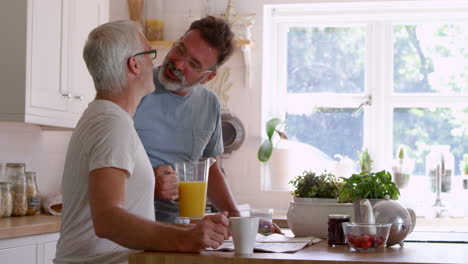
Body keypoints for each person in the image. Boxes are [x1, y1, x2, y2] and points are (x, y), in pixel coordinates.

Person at [54, 20, 229, 264]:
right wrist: (186, 239)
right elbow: (108, 219)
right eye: (149, 53)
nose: (156, 61)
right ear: (134, 64)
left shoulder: (110, 118)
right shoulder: (112, 125)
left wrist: (192, 234)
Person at [134, 16, 281, 233]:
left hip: (179, 233)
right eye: (181, 50)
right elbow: (104, 162)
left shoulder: (210, 103)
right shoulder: (134, 87)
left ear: (208, 77)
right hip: (131, 229)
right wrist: (148, 182)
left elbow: (209, 168)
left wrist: (239, 221)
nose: (179, 63)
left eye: (193, 64)